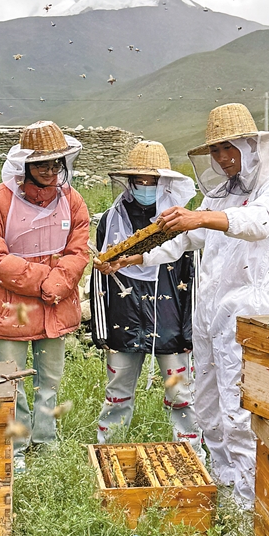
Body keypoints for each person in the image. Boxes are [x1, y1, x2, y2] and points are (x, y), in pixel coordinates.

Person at [105, 104, 269, 510]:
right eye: (215, 150)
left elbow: (258, 223)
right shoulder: (220, 194)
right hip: (208, 312)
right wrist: (138, 256)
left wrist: (201, 218)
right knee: (208, 408)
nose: (223, 158)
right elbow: (184, 240)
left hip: (246, 314)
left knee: (238, 410)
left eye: (229, 148)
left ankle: (247, 508)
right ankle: (225, 492)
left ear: (251, 146)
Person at [0, 121, 90, 469]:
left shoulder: (72, 200)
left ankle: (45, 440)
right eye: (42, 163)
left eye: (56, 163)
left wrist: (59, 282)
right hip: (12, 306)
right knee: (12, 379)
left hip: (55, 304)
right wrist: (44, 279)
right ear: (26, 164)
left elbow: (78, 249)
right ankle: (17, 449)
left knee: (49, 379)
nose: (50, 170)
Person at [91, 140, 201, 452]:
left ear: (164, 182)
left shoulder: (180, 222)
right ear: (129, 182)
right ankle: (109, 452)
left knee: (181, 394)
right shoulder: (111, 219)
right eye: (139, 180)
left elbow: (193, 277)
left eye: (151, 181)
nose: (144, 186)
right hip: (123, 319)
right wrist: (102, 330)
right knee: (117, 393)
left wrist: (189, 331)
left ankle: (192, 455)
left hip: (172, 324)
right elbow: (99, 274)